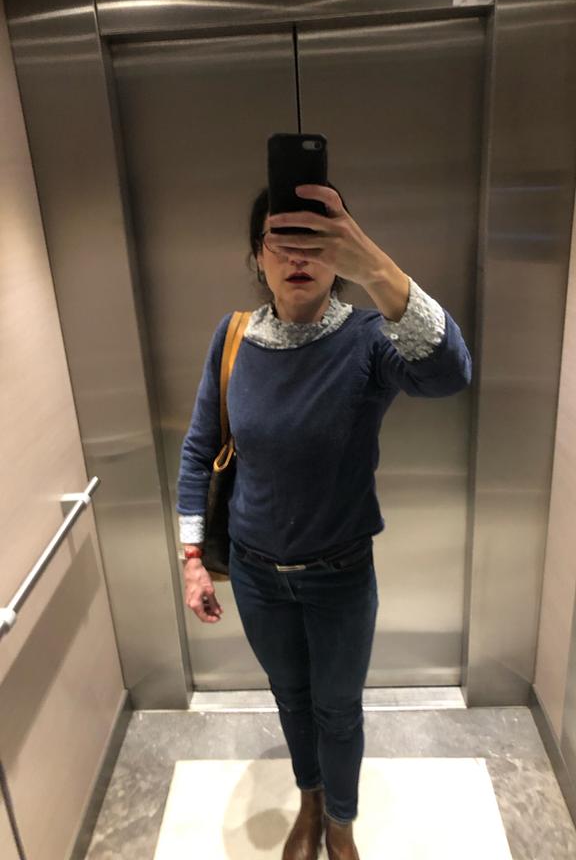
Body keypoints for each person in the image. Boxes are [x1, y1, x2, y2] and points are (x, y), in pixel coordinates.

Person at [176, 182, 472, 860]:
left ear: (340, 251)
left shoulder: (369, 339)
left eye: (316, 240)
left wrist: (377, 268)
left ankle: (340, 820)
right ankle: (310, 799)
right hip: (255, 573)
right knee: (290, 697)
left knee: (337, 710)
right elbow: (198, 451)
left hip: (339, 575)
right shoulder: (234, 336)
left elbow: (450, 373)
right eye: (281, 240)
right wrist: (193, 558)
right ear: (257, 254)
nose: (297, 256)